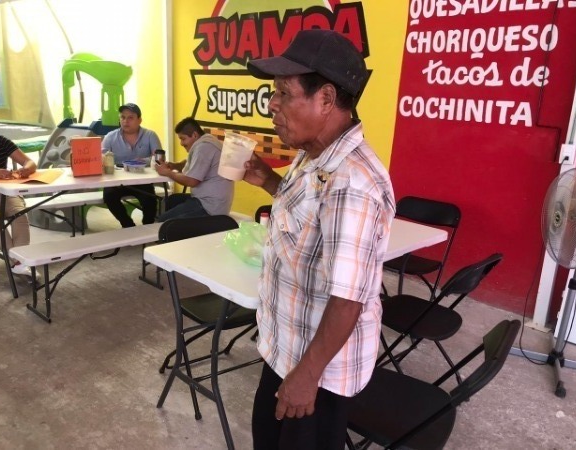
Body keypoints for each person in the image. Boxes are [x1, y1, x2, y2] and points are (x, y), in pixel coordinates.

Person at [244, 29, 396, 449]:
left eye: (284, 92)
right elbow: (312, 221)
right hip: (286, 347)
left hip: (317, 371)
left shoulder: (353, 183)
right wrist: (270, 182)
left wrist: (306, 377)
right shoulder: (313, 155)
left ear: (326, 99)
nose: (272, 104)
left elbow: (348, 299)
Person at [0, 116, 38, 277]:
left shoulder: (2, 142)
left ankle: (19, 261)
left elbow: (30, 162)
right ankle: (18, 261)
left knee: (20, 213)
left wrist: (26, 169)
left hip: (4, 188)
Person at [154, 117, 234, 221]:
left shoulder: (204, 147)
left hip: (210, 206)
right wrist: (174, 166)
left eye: (183, 139)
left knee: (163, 221)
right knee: (171, 200)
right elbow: (192, 163)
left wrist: (167, 172)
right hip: (208, 200)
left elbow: (192, 181)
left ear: (195, 135)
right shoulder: (207, 141)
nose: (181, 143)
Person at [101, 103, 162, 227]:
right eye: (122, 117)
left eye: (130, 118)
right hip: (116, 180)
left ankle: (148, 226)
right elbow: (101, 158)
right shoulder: (110, 137)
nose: (125, 121)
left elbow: (159, 158)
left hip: (142, 179)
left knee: (150, 199)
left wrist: (143, 161)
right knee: (109, 196)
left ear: (139, 120)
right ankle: (128, 225)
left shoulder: (150, 135)